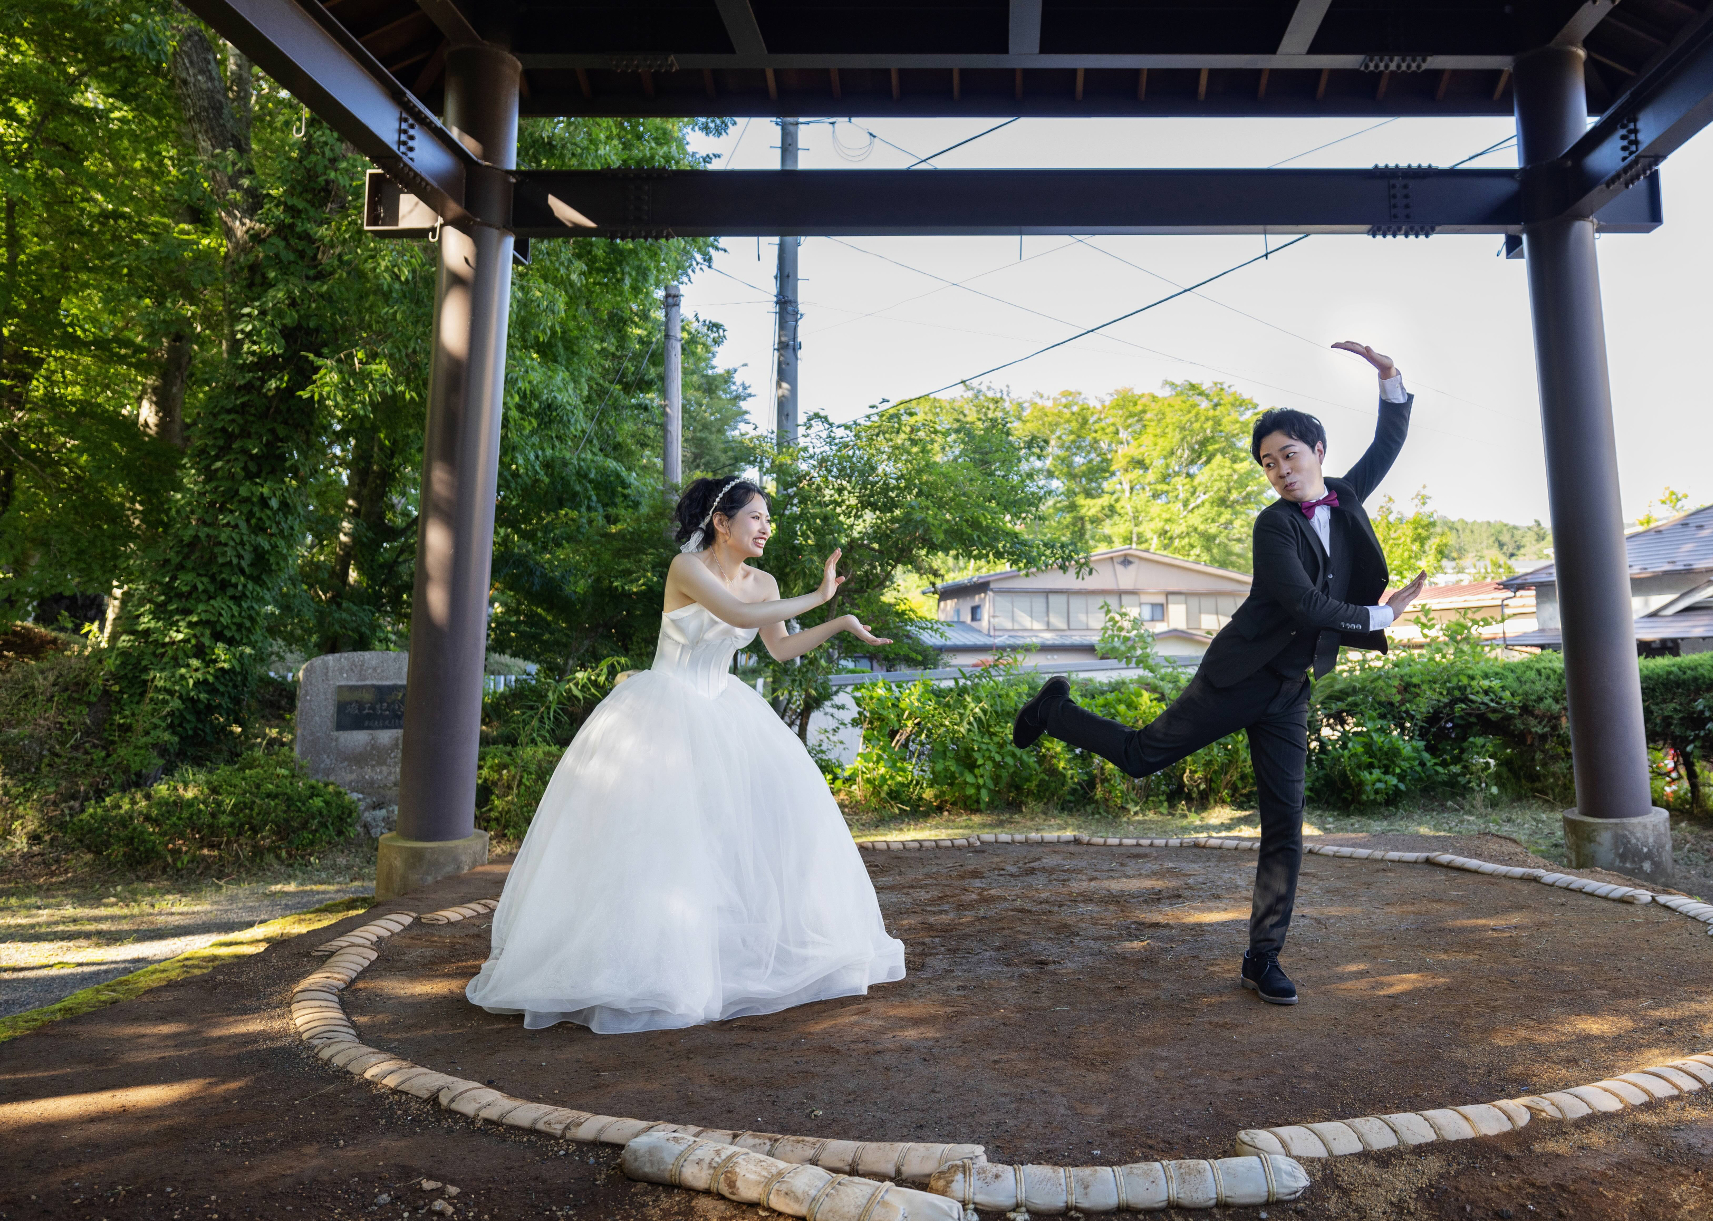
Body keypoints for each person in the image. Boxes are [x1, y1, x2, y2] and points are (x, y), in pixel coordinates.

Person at [1010, 341, 1426, 1006]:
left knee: (1285, 825)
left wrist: (1389, 378)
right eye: (1268, 463)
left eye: (1289, 454)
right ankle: (1054, 709)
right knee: (1144, 757)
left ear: (1317, 450)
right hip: (1237, 679)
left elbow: (1389, 441)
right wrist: (1380, 618)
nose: (1280, 470)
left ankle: (1263, 958)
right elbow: (1304, 605)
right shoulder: (1274, 526)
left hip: (1291, 691)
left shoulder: (1345, 498)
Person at [465, 476, 906, 1032]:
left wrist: (838, 620)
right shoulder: (687, 569)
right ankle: (636, 960)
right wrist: (819, 596)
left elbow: (780, 647)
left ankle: (717, 954)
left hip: (726, 710)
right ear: (722, 522)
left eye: (768, 518)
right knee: (656, 843)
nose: (767, 528)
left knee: (730, 840)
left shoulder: (764, 580)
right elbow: (739, 617)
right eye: (756, 517)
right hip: (664, 710)